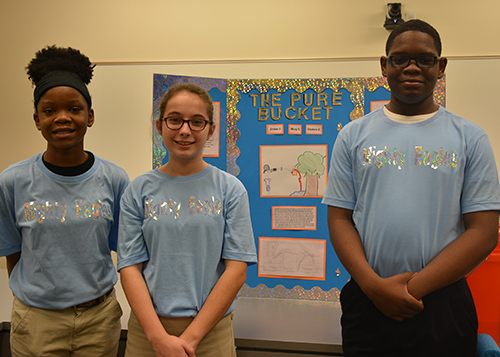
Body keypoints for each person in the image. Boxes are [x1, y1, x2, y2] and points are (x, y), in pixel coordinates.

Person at [322, 19, 500, 357]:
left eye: (425, 59)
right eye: (400, 58)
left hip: (443, 304)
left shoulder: (470, 138)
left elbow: (484, 232)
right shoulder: (353, 135)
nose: (412, 67)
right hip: (368, 299)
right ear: (384, 66)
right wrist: (375, 288)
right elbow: (340, 218)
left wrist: (410, 290)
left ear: (441, 66)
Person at [0, 46, 130, 356]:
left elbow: (122, 252)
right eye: (49, 110)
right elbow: (13, 252)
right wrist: (38, 298)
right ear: (36, 118)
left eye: (74, 108)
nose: (62, 118)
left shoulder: (114, 179)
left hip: (98, 321)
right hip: (36, 323)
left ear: (90, 115)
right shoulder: (13, 181)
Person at [118, 83, 257, 357]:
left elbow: (237, 269)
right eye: (175, 120)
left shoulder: (230, 189)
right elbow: (130, 267)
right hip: (149, 332)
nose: (184, 130)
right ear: (160, 126)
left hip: (210, 332)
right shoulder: (138, 190)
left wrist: (190, 340)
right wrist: (158, 338)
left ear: (211, 130)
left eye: (196, 122)